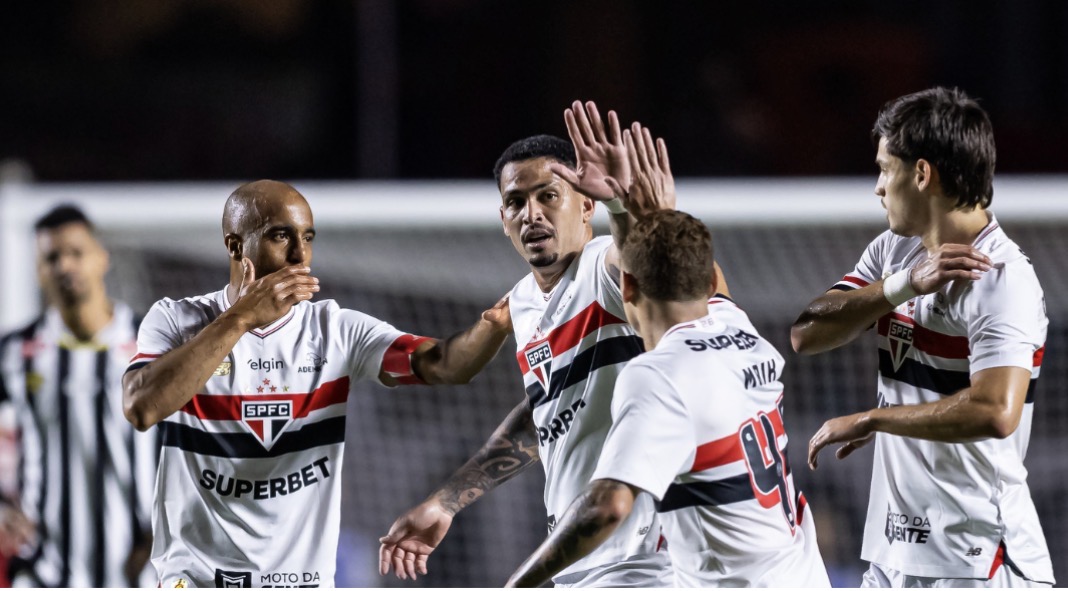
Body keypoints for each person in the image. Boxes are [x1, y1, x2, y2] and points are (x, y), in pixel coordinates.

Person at [379, 101, 728, 586]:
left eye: (549, 196)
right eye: (517, 202)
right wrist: (447, 501)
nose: (532, 214)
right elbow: (546, 412)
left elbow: (639, 270)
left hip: (647, 555)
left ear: (585, 204)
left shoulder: (603, 265)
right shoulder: (523, 303)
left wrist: (622, 209)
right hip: (581, 556)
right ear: (503, 218)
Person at [121, 179, 512, 588]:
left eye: (307, 238)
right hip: (197, 579)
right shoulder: (176, 319)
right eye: (280, 236)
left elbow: (445, 364)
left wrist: (492, 329)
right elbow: (141, 406)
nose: (299, 255)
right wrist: (240, 318)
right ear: (236, 246)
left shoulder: (335, 329)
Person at [794, 87, 1054, 587]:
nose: (877, 187)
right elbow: (807, 333)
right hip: (895, 558)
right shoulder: (893, 252)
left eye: (883, 169)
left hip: (979, 560)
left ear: (920, 174)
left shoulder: (1002, 277)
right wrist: (903, 286)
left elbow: (995, 412)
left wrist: (875, 418)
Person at [505, 210, 830, 587]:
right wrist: (637, 207)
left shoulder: (655, 374)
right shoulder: (744, 331)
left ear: (626, 289)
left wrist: (518, 585)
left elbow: (607, 507)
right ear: (709, 281)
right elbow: (698, 275)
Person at [0, 205, 157, 587]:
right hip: (42, 567)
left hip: (142, 565)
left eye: (76, 253)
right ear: (39, 270)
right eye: (52, 257)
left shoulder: (154, 343)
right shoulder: (13, 351)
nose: (65, 266)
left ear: (101, 259)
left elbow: (194, 443)